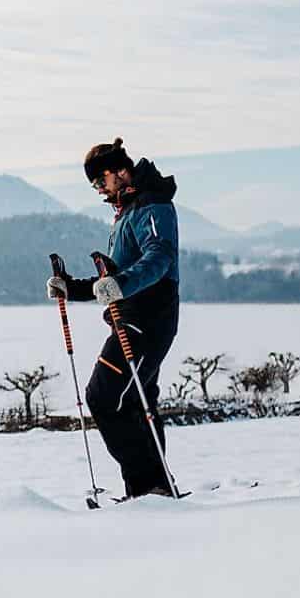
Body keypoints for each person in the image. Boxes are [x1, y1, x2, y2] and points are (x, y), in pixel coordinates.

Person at [47, 138, 181, 499]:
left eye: (98, 182)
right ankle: (155, 490)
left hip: (147, 318)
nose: (98, 190)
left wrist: (120, 283)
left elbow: (159, 258)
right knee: (137, 401)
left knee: (104, 397)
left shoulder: (152, 204)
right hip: (134, 316)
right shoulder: (129, 210)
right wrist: (71, 288)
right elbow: (117, 274)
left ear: (117, 172)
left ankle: (147, 489)